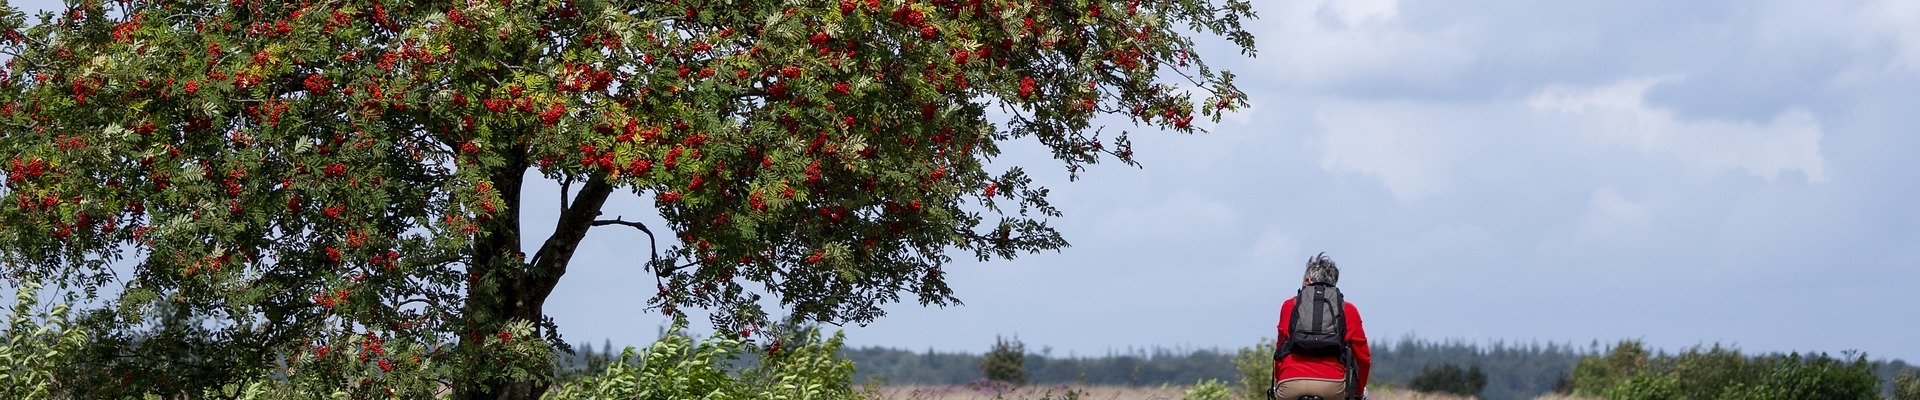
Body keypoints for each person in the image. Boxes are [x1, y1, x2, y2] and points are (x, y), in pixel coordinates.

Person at [1272, 253, 1371, 400]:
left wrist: (1281, 381)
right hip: (1332, 385)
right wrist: (1358, 391)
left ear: (1307, 280)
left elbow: (1280, 350)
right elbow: (1363, 358)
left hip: (1291, 383)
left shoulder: (1289, 306)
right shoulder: (1348, 310)